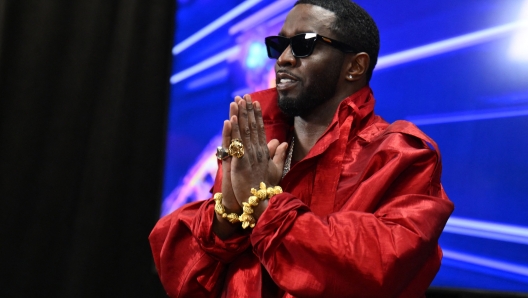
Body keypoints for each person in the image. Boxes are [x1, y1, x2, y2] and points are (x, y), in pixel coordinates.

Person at [149, 0, 454, 297]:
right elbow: (185, 277)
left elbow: (377, 267)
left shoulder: (402, 155)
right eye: (278, 45)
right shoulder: (256, 143)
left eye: (303, 44)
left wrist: (263, 205)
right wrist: (226, 213)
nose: (283, 58)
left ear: (355, 66)